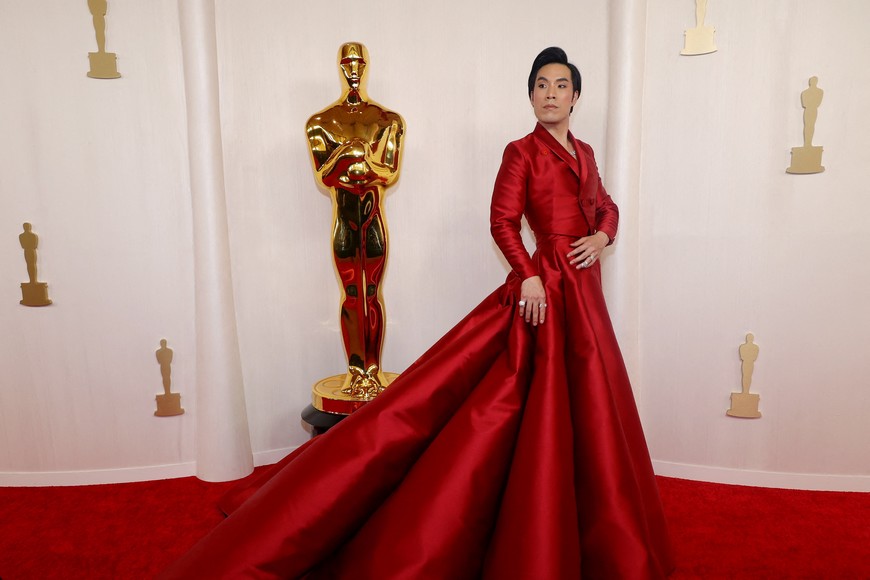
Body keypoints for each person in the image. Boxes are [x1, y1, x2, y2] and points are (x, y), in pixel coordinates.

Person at [160, 47, 674, 579]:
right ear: (531, 95)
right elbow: (502, 222)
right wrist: (530, 276)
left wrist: (601, 235)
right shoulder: (520, 152)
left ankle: (591, 527)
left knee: (590, 402)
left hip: (584, 294)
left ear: (576, 96)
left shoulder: (586, 152)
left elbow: (607, 204)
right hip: (543, 289)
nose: (550, 93)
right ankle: (525, 520)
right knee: (515, 400)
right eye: (541, 85)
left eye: (560, 85)